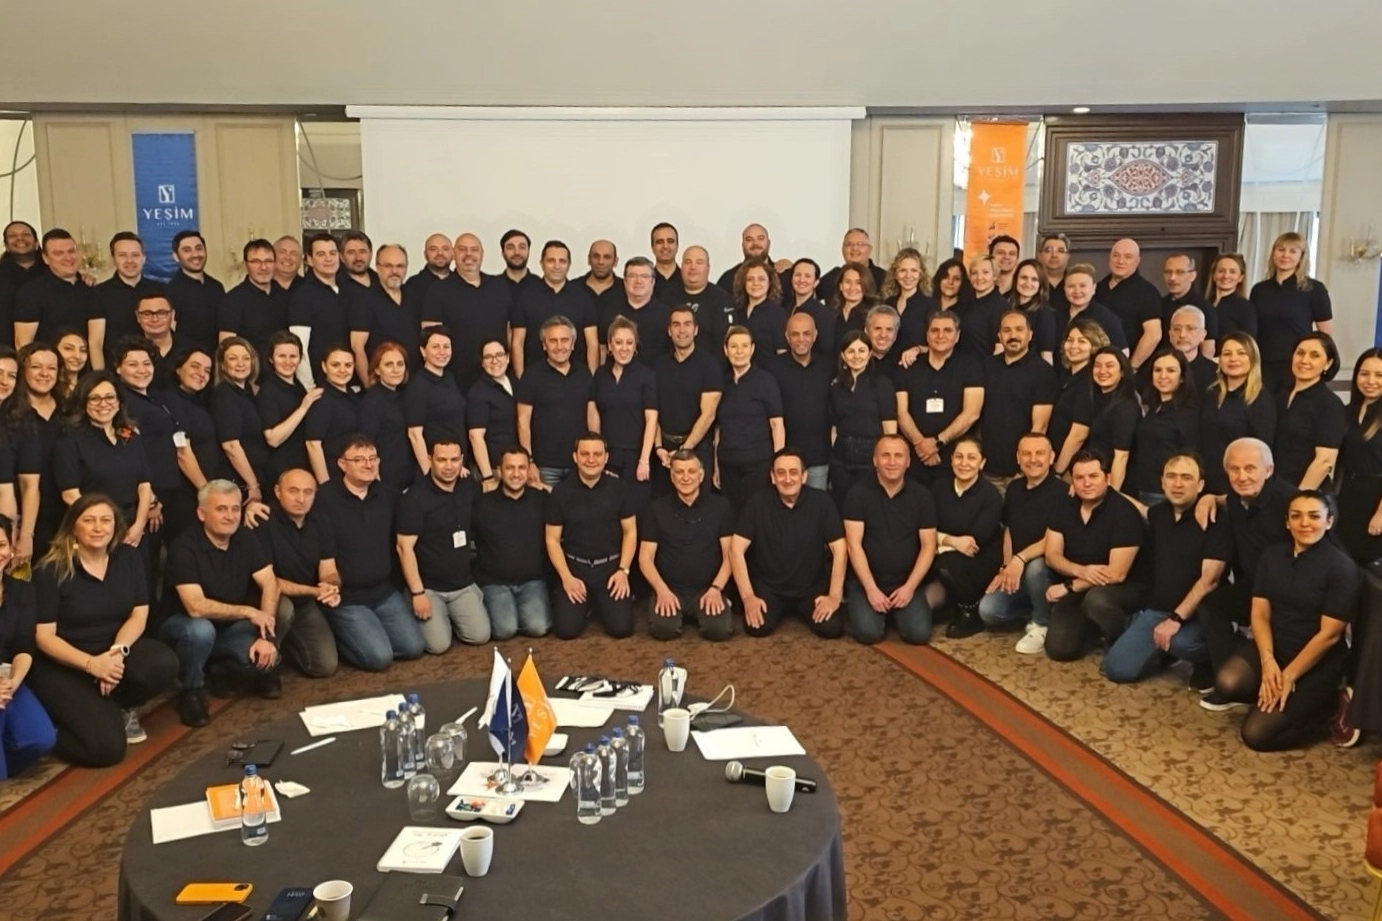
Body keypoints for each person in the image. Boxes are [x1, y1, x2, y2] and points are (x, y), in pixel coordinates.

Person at [29, 496, 178, 760]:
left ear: (115, 525)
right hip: (64, 663)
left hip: (110, 652)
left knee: (163, 663)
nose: (98, 528)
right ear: (73, 526)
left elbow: (139, 613)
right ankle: (51, 726)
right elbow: (44, 637)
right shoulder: (51, 569)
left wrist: (116, 654)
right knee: (106, 751)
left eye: (105, 520)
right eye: (89, 520)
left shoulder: (129, 557)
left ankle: (114, 703)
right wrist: (91, 665)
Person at [1211, 490, 1357, 752]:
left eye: (1314, 516)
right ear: (1287, 522)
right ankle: (1271, 694)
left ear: (1329, 521)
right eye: (1296, 516)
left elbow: (1330, 635)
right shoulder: (1272, 555)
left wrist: (1288, 675)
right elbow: (1259, 614)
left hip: (1316, 658)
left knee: (1256, 735)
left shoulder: (1341, 567)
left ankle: (1330, 705)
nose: (1305, 523)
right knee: (1227, 682)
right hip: (1276, 645)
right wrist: (1268, 662)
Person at [1102, 453, 1228, 686]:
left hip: (1201, 614)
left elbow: (1209, 581)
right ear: (1162, 482)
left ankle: (1210, 659)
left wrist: (1176, 619)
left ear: (1201, 485)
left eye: (1186, 478)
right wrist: (1106, 488)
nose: (1178, 484)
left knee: (1181, 643)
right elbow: (1142, 509)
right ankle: (1164, 650)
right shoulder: (1159, 513)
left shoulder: (1215, 519)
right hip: (1160, 610)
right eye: (1171, 476)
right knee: (1116, 669)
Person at [160, 481, 282, 708]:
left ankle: (221, 668)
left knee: (275, 622)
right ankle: (192, 689)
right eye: (221, 509)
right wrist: (249, 612)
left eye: (235, 509)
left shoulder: (245, 537)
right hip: (185, 627)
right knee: (201, 630)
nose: (230, 516)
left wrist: (266, 638)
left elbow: (270, 583)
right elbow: (196, 607)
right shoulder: (184, 547)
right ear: (201, 513)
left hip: (228, 626)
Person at [1195, 438, 1295, 711]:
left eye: (1250, 468)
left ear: (1269, 470)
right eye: (1234, 469)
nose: (1242, 476)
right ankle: (1229, 678)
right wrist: (1211, 497)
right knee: (1212, 607)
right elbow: (1228, 498)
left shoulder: (1290, 503)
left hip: (1289, 593)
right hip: (1254, 586)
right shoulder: (1235, 498)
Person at [313, 436, 425, 670]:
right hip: (347, 598)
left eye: (373, 458)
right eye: (359, 459)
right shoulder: (323, 499)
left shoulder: (389, 495)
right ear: (342, 464)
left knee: (414, 647)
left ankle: (368, 635)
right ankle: (345, 638)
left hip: (384, 592)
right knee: (380, 659)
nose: (368, 464)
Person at [1042, 450, 1148, 662]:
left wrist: (1070, 586)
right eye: (1079, 477)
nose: (1086, 483)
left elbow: (1116, 574)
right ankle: (1095, 626)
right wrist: (1080, 571)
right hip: (1081, 581)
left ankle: (1121, 633)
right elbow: (1051, 555)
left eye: (1093, 476)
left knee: (1097, 600)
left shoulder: (1124, 512)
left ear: (1107, 478)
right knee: (1059, 650)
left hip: (1123, 587)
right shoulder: (1064, 505)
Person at [730, 448, 847, 639]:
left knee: (831, 629)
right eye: (781, 473)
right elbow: (736, 549)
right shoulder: (756, 503)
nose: (787, 479)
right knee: (757, 628)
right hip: (769, 587)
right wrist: (748, 597)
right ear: (773, 477)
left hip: (811, 588)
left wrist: (834, 596)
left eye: (793, 472)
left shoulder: (822, 502)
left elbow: (840, 549)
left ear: (804, 476)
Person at [842, 434, 938, 644]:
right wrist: (871, 590)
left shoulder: (922, 496)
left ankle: (894, 612)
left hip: (906, 581)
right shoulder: (857, 494)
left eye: (898, 456)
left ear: (908, 461)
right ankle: (876, 610)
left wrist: (909, 588)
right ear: (875, 460)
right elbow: (853, 545)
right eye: (885, 455)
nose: (892, 462)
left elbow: (929, 546)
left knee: (919, 635)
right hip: (866, 582)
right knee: (869, 634)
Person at [396, 439, 489, 652]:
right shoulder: (414, 498)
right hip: (428, 587)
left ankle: (450, 616)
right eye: (442, 460)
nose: (449, 466)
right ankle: (420, 607)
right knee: (439, 646)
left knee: (480, 636)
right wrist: (418, 594)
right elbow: (404, 548)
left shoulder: (469, 487)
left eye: (454, 460)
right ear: (430, 460)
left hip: (462, 583)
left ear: (462, 460)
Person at [979, 432, 1067, 654]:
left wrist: (1020, 558)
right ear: (1018, 458)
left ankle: (1042, 623)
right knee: (988, 611)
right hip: (1018, 571)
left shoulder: (1063, 493)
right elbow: (1008, 530)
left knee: (1036, 567)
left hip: (1047, 571)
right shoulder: (1014, 488)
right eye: (1026, 454)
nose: (1033, 459)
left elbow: (1053, 540)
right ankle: (1037, 609)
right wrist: (1007, 566)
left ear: (1051, 457)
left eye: (1040, 453)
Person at [544, 433, 637, 640]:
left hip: (611, 569)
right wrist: (566, 578)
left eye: (597, 454)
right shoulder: (560, 492)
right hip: (575, 569)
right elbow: (552, 540)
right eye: (585, 454)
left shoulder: (620, 488)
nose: (591, 459)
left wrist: (623, 571)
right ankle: (588, 605)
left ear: (606, 457)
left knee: (621, 629)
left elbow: (630, 532)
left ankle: (598, 604)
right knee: (566, 631)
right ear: (575, 457)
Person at [639, 449, 735, 641]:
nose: (685, 477)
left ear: (701, 475)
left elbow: (730, 555)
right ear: (672, 477)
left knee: (718, 631)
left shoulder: (721, 507)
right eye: (679, 472)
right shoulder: (656, 509)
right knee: (663, 630)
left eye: (691, 471)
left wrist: (716, 589)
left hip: (708, 588)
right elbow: (645, 558)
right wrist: (661, 590)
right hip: (669, 588)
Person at [256, 467, 340, 679]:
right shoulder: (262, 520)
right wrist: (315, 591)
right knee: (284, 609)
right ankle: (268, 667)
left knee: (325, 666)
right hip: (268, 601)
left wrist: (331, 586)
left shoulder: (321, 520)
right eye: (293, 491)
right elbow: (271, 583)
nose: (301, 499)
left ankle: (286, 645)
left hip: (304, 604)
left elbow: (329, 569)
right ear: (278, 492)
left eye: (308, 492)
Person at [54, 371, 153, 548]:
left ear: (119, 402)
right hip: (93, 530)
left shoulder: (131, 436)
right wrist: (104, 524)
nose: (103, 404)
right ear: (83, 403)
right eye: (95, 398)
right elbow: (70, 494)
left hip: (133, 530)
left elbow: (144, 485)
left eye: (109, 397)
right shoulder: (70, 440)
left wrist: (139, 524)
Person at [926, 434, 1004, 638]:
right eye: (959, 457)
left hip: (980, 560)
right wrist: (950, 540)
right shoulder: (938, 488)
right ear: (951, 459)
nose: (964, 463)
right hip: (942, 556)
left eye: (971, 458)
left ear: (982, 463)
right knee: (923, 610)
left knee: (945, 563)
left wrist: (936, 541)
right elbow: (924, 527)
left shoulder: (991, 496)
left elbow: (974, 542)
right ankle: (949, 604)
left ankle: (970, 612)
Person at [895, 311, 984, 486]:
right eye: (934, 330)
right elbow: (901, 412)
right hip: (914, 459)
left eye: (947, 330)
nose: (940, 335)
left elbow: (972, 413)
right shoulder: (908, 366)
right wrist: (921, 445)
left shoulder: (971, 366)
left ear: (957, 336)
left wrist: (937, 443)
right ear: (927, 335)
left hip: (955, 461)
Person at [472, 447, 552, 639]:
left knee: (538, 628)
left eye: (521, 468)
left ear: (528, 470)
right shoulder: (482, 504)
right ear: (499, 471)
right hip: (494, 582)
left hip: (533, 581)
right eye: (510, 468)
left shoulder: (542, 500)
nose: (516, 474)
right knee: (505, 630)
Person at [0, 516, 56, 778]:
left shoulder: (22, 590)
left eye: (1, 545)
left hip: (7, 678)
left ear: (10, 548)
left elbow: (24, 644)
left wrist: (12, 683)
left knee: (42, 740)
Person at [422, 233, 512, 390]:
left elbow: (510, 331)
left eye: (474, 249)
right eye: (463, 249)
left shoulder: (500, 286)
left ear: (482, 254)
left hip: (497, 377)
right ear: (453, 254)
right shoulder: (438, 291)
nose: (469, 254)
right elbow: (430, 339)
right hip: (456, 383)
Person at [979, 310, 1056, 490]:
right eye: (1007, 330)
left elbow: (1040, 426)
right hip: (986, 469)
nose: (1013, 335)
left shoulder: (1043, 372)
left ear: (1030, 335)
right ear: (999, 336)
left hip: (1020, 473)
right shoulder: (986, 366)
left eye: (1019, 329)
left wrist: (1023, 470)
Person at [516, 315, 596, 486]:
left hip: (580, 464)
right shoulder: (531, 376)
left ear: (573, 344)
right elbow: (523, 421)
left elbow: (592, 416)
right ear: (544, 345)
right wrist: (529, 461)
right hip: (544, 466)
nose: (559, 346)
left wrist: (595, 454)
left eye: (565, 340)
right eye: (553, 341)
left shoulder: (584, 374)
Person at [1250, 232, 1332, 393]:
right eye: (1281, 249)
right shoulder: (1259, 290)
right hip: (1262, 365)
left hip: (1297, 365)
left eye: (1293, 251)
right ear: (1273, 253)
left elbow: (1325, 335)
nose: (1285, 255)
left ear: (1302, 257)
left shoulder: (1314, 289)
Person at [652, 305, 721, 495]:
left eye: (687, 324)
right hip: (664, 452)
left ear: (696, 330)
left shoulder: (710, 366)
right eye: (676, 325)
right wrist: (658, 447)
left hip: (698, 448)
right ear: (669, 330)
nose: (682, 330)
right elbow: (652, 410)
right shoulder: (659, 366)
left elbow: (708, 415)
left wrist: (684, 450)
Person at [715, 326, 785, 507]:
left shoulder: (766, 380)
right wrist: (716, 466)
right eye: (734, 346)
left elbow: (777, 425)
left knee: (756, 514)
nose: (739, 352)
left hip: (758, 463)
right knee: (730, 515)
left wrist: (778, 465)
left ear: (752, 349)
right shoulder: (722, 382)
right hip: (727, 463)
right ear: (726, 350)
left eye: (745, 346)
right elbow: (718, 429)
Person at [593, 316, 658, 510]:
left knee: (636, 510)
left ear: (635, 346)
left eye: (629, 343)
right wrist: (597, 455)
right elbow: (594, 414)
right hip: (607, 456)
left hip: (636, 455)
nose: (624, 348)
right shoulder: (600, 375)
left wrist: (644, 460)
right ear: (609, 346)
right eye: (619, 342)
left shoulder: (646, 375)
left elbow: (652, 419)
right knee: (608, 510)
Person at [1199, 333, 1275, 496]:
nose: (1233, 359)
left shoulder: (1261, 400)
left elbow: (1262, 451)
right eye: (1227, 354)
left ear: (1253, 359)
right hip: (1207, 483)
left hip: (1239, 485)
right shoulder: (1211, 393)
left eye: (1241, 353)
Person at [829, 330, 897, 508]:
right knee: (842, 505)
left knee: (869, 506)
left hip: (871, 454)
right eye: (851, 351)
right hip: (841, 456)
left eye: (861, 350)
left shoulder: (882, 383)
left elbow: (890, 429)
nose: (856, 356)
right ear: (843, 356)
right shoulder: (836, 386)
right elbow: (834, 425)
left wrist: (887, 458)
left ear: (870, 353)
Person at [9, 344, 63, 566]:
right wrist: (24, 534)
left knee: (58, 580)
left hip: (64, 517)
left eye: (51, 368)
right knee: (21, 578)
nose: (44, 373)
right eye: (36, 367)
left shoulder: (71, 411)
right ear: (22, 371)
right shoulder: (10, 414)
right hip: (21, 518)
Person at [511, 240, 598, 378]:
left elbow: (592, 343)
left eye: (562, 261)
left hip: (575, 378)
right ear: (541, 263)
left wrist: (591, 379)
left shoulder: (583, 297)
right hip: (535, 379)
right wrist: (521, 379)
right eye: (551, 261)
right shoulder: (526, 296)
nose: (557, 266)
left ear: (569, 265)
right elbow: (517, 343)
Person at [1057, 347, 1139, 491]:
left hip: (1108, 480)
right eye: (1097, 366)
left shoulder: (1126, 406)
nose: (1102, 371)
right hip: (1090, 473)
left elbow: (1121, 457)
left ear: (1122, 372)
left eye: (1109, 366)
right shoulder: (1095, 397)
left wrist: (1112, 495)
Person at [768, 313, 832, 491]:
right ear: (787, 337)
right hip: (786, 458)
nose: (801, 339)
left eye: (806, 333)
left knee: (817, 504)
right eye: (795, 334)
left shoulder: (829, 367)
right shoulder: (772, 368)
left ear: (815, 335)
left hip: (819, 457)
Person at [1274, 331, 1346, 490]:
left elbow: (1325, 461)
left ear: (1328, 364)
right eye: (1300, 353)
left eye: (1315, 355)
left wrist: (1298, 498)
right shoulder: (1280, 396)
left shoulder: (1330, 404)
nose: (1304, 360)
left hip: (1307, 493)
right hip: (1276, 489)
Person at [1132, 349, 1200, 505]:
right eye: (1157, 370)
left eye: (1171, 370)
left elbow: (1191, 457)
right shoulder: (1153, 407)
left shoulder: (1188, 414)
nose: (1163, 376)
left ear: (1182, 377)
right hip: (1142, 488)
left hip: (1165, 494)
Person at [349, 243, 421, 382]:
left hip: (413, 382)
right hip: (382, 384)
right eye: (388, 266)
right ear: (377, 267)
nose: (394, 271)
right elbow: (357, 348)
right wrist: (369, 386)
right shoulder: (364, 300)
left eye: (400, 266)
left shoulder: (414, 296)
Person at [89, 231, 161, 367]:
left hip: (155, 368)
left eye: (135, 255)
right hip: (115, 370)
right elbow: (95, 344)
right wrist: (101, 376)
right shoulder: (99, 293)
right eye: (122, 255)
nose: (129, 261)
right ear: (113, 259)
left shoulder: (160, 290)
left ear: (144, 258)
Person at [212, 337, 271, 503]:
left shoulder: (248, 393)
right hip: (239, 483)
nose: (240, 363)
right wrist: (253, 484)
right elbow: (231, 446)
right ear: (222, 365)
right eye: (233, 358)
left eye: (246, 358)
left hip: (253, 477)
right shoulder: (224, 395)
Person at [1049, 319, 1111, 478]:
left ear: (1095, 346)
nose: (1073, 346)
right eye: (1070, 340)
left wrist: (1058, 471)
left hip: (1074, 468)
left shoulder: (1088, 381)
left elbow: (1079, 434)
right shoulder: (1069, 376)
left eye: (1082, 341)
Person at [1337, 349, 1382, 565]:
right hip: (1347, 495)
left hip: (1375, 499)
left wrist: (1381, 514)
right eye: (1364, 374)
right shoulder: (1347, 412)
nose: (1370, 381)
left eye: (1379, 375)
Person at [256, 331, 321, 480]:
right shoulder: (268, 390)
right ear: (271, 359)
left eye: (293, 356)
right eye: (281, 356)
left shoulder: (298, 386)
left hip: (302, 465)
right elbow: (273, 439)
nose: (288, 361)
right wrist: (304, 407)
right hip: (281, 470)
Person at [217, 238, 288, 373]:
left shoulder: (285, 296)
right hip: (249, 377)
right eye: (256, 262)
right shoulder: (232, 300)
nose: (263, 267)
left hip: (283, 374)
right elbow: (226, 348)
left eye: (268, 261)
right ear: (245, 265)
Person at [404, 326, 466, 478]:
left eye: (446, 347)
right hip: (436, 470)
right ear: (423, 351)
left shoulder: (450, 378)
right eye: (436, 347)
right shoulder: (418, 386)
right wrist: (429, 474)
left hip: (457, 466)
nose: (442, 352)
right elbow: (414, 435)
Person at [14, 229, 91, 348]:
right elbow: (23, 343)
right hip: (51, 359)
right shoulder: (32, 292)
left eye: (71, 251)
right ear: (46, 258)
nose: (68, 257)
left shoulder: (90, 287)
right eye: (58, 253)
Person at [287, 233, 347, 381]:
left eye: (332, 253)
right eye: (321, 254)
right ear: (309, 259)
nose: (328, 259)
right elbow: (299, 347)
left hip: (349, 381)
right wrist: (308, 386)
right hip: (320, 383)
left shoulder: (348, 290)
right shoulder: (303, 296)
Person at [1096, 239, 1162, 369]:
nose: (1120, 261)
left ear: (1137, 261)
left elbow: (1153, 335)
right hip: (1097, 366)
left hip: (1129, 369)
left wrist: (1130, 367)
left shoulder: (1147, 292)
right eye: (1116, 255)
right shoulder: (1098, 288)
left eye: (1128, 257)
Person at [358, 341, 413, 489]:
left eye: (400, 364)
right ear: (377, 369)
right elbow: (366, 442)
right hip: (386, 480)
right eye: (389, 365)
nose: (396, 370)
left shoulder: (406, 395)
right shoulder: (372, 401)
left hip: (409, 477)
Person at [302, 346, 361, 484]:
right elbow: (313, 445)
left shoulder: (352, 395)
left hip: (352, 473)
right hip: (334, 475)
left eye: (348, 365)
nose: (342, 370)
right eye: (335, 365)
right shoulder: (321, 399)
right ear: (324, 366)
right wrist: (326, 485)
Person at [163, 230, 225, 355]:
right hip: (187, 360)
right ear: (176, 256)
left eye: (199, 248)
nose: (195, 254)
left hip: (217, 359)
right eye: (187, 250)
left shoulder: (217, 287)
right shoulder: (170, 291)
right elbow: (168, 335)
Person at [466, 339, 517, 487]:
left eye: (499, 355)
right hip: (494, 469)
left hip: (516, 466)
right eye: (488, 357)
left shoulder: (516, 383)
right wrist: (488, 477)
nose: (495, 361)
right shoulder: (478, 392)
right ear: (482, 363)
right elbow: (475, 436)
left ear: (508, 357)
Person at [601, 257, 670, 365]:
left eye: (644, 276)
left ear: (653, 281)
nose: (638, 281)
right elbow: (602, 349)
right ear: (625, 281)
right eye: (633, 276)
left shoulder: (666, 315)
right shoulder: (610, 312)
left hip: (657, 375)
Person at [672, 245, 734, 353]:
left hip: (712, 362)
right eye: (688, 262)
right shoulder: (667, 296)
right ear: (681, 267)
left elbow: (727, 342)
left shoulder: (722, 299)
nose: (693, 267)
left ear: (708, 268)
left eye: (699, 262)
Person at [879, 247, 935, 352]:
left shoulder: (931, 305)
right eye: (903, 270)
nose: (908, 276)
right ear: (895, 274)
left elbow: (939, 344)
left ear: (921, 274)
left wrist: (919, 350)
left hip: (918, 361)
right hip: (889, 361)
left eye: (914, 271)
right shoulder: (887, 304)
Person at [1062, 263, 1128, 351]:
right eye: (1071, 286)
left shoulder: (1106, 318)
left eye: (1082, 286)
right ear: (1064, 289)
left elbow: (1123, 351)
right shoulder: (1056, 315)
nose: (1077, 291)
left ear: (1094, 288)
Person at [1160, 253, 1216, 354]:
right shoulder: (1160, 304)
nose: (1172, 277)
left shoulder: (1204, 307)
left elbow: (1208, 349)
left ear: (1193, 276)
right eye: (1168, 272)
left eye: (1180, 272)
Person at [733, 258, 788, 358]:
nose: (755, 283)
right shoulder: (737, 312)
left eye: (761, 279)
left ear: (770, 282)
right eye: (750, 279)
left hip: (770, 368)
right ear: (744, 283)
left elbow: (783, 354)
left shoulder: (778, 314)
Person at [956, 254, 1007, 362]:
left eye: (985, 272)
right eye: (974, 273)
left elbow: (1000, 348)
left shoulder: (1000, 306)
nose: (979, 277)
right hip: (963, 366)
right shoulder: (966, 303)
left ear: (994, 275)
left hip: (985, 368)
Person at [1009, 258, 1057, 363]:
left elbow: (1046, 355)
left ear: (1041, 284)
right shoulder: (1007, 307)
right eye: (1024, 277)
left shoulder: (1044, 313)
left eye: (1034, 279)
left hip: (1032, 369)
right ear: (1016, 279)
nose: (1028, 283)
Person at [1205, 253, 1257, 349]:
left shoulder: (1246, 307)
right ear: (1213, 275)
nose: (1226, 276)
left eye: (1232, 272)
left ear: (1241, 277)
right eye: (1221, 271)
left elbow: (1247, 344)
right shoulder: (1203, 304)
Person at [784, 258, 833, 356]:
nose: (802, 280)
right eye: (797, 275)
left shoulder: (824, 314)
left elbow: (826, 350)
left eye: (807, 276)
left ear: (816, 282)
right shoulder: (785, 308)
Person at [1163, 305, 1219, 392]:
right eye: (1177, 329)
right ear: (1170, 335)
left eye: (1190, 329)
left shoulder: (1215, 373)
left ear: (1202, 335)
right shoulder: (1157, 369)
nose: (1182, 335)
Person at [819, 228, 887, 295]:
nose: (854, 248)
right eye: (849, 244)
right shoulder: (831, 278)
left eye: (860, 244)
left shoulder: (884, 278)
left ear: (870, 249)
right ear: (842, 250)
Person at [577, 239, 624, 332]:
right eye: (596, 256)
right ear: (588, 259)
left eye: (607, 257)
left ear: (615, 261)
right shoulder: (573, 289)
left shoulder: (626, 290)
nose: (601, 262)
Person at [404, 233, 453, 301]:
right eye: (433, 249)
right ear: (425, 255)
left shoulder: (461, 283)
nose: (440, 253)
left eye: (445, 249)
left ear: (452, 253)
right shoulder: (413, 285)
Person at [54, 328, 91, 402]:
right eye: (68, 348)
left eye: (83, 350)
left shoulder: (90, 389)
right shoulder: (46, 386)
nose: (78, 356)